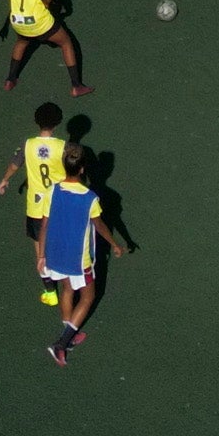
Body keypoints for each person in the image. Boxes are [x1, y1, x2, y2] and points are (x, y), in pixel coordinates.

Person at [38, 156, 134, 364]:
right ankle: (61, 344)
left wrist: (41, 255)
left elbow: (44, 225)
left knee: (67, 290)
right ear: (82, 169)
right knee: (88, 297)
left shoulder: (52, 190)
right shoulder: (89, 198)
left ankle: (68, 337)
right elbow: (99, 225)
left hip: (55, 252)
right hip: (78, 259)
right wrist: (116, 245)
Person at [0, 101, 74, 304]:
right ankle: (70, 284)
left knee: (40, 250)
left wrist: (5, 180)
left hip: (36, 208)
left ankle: (50, 292)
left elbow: (15, 164)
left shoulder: (28, 144)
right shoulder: (64, 147)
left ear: (36, 121)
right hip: (60, 206)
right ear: (58, 123)